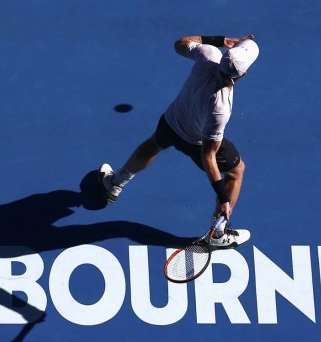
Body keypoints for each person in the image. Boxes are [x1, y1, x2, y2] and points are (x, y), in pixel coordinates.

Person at [98, 34, 259, 248]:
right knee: (237, 171)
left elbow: (180, 43)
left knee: (154, 144)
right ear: (244, 74)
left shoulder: (209, 53)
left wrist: (218, 41)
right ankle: (218, 233)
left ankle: (114, 183)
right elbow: (208, 155)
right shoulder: (221, 108)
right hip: (196, 143)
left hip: (172, 121)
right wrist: (222, 198)